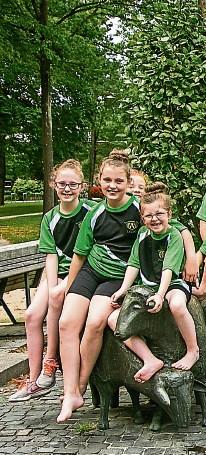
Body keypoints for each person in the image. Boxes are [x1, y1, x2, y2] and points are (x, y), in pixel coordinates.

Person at [57, 150, 141, 422]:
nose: (112, 186)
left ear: (128, 183)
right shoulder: (95, 214)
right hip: (91, 271)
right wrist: (71, 289)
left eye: (119, 181)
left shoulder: (139, 210)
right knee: (67, 322)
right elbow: (80, 255)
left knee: (94, 322)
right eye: (107, 180)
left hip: (119, 278)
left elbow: (172, 227)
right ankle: (69, 391)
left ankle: (80, 386)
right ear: (99, 182)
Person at [9, 160, 93, 401]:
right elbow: (51, 256)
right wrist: (53, 280)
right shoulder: (50, 218)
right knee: (32, 315)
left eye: (72, 184)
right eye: (62, 184)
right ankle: (34, 380)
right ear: (53, 185)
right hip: (57, 272)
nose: (67, 189)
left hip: (82, 271)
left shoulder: (90, 211)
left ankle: (51, 362)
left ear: (82, 186)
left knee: (57, 298)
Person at [107, 183, 200, 382]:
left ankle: (193, 350)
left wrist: (160, 294)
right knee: (114, 319)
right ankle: (149, 359)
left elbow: (169, 268)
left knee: (176, 304)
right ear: (142, 218)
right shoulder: (142, 234)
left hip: (172, 284)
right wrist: (123, 289)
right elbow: (133, 263)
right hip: (147, 286)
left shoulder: (174, 235)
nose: (154, 219)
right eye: (148, 216)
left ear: (169, 214)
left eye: (159, 214)